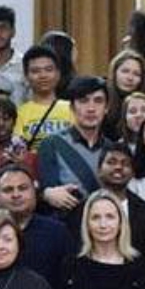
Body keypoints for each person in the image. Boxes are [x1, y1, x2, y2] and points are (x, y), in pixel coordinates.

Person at [0, 165, 74, 283]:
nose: (16, 195)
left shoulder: (57, 233)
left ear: (34, 192)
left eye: (23, 188)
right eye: (8, 190)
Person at [37, 76, 111, 220]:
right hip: (65, 224)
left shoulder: (113, 149)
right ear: (72, 107)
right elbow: (47, 192)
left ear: (106, 108)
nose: (91, 108)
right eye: (83, 101)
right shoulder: (51, 144)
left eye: (98, 101)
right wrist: (46, 193)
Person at [14, 46, 74, 149]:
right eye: (35, 71)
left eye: (48, 70)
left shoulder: (74, 109)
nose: (43, 75)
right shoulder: (20, 113)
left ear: (58, 74)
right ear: (26, 76)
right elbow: (18, 150)